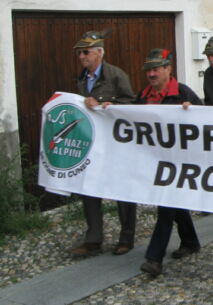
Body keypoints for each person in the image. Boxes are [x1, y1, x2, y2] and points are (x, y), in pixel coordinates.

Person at [137, 48, 203, 276]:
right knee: (174, 204)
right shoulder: (143, 96)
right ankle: (191, 241)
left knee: (166, 205)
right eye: (149, 70)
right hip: (154, 161)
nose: (151, 74)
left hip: (179, 163)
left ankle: (154, 258)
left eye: (156, 69)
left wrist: (192, 113)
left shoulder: (184, 93)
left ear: (168, 69)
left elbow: (207, 121)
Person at [71, 29, 137, 256]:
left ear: (99, 53)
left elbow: (131, 104)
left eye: (86, 52)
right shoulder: (81, 78)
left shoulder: (116, 76)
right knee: (89, 189)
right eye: (80, 53)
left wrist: (108, 104)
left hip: (116, 144)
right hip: (93, 143)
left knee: (122, 191)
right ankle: (93, 239)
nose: (82, 57)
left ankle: (126, 238)